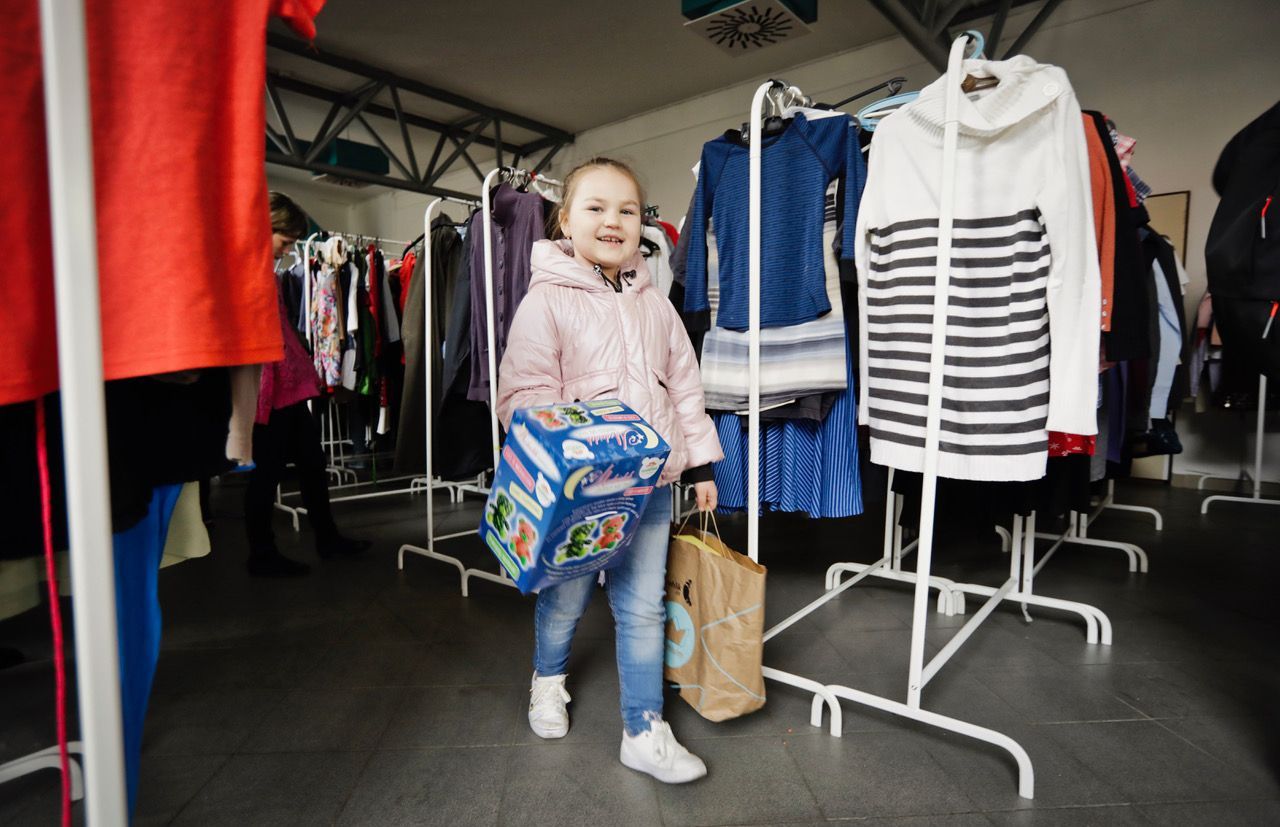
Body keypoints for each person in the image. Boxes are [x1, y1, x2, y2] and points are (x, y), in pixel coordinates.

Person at [497, 158, 723, 783]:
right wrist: (579, 447)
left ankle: (644, 729)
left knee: (643, 606)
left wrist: (700, 463)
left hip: (649, 486)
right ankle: (548, 681)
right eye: (595, 208)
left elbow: (684, 384)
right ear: (565, 221)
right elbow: (523, 394)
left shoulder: (657, 304)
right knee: (565, 599)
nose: (612, 221)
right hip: (580, 494)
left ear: (641, 225)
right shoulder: (546, 301)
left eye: (627, 210)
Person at [243, 192, 370, 577]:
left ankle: (327, 538)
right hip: (269, 392)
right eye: (285, 242)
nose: (289, 251)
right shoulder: (245, 274)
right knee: (266, 475)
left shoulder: (264, 273)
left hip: (291, 387)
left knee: (313, 466)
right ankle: (262, 554)